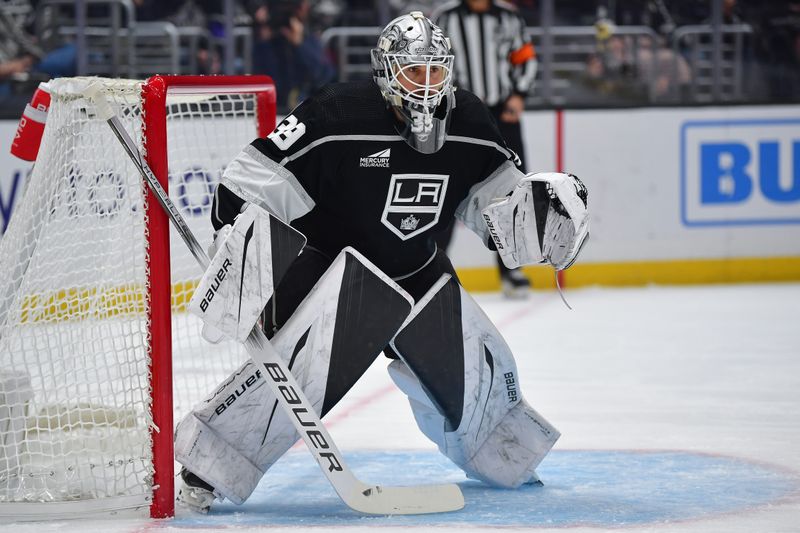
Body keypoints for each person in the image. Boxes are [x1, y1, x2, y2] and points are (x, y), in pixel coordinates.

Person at [174, 11, 588, 512]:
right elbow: (250, 177)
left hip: (417, 270)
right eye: (415, 71)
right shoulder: (335, 114)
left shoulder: (472, 122)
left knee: (479, 365)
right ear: (387, 71)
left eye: (436, 70)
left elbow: (495, 206)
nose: (427, 83)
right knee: (298, 376)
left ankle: (505, 454)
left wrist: (535, 218)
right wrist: (236, 250)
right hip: (331, 269)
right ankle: (207, 467)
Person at [432, 0, 538, 298]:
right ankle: (433, 266)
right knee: (446, 189)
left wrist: (518, 95)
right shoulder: (446, 17)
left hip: (502, 115)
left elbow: (526, 57)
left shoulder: (508, 18)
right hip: (458, 117)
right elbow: (436, 63)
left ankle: (511, 267)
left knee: (512, 191)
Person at [252, 0, 336, 111]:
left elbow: (323, 78)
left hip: (306, 111)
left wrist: (300, 45)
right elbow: (262, 84)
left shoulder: (310, 41)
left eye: (295, 6)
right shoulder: (265, 46)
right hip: (275, 111)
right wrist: (261, 29)